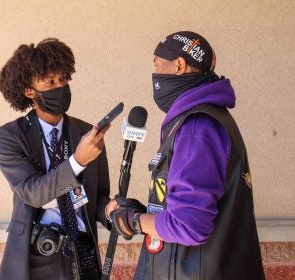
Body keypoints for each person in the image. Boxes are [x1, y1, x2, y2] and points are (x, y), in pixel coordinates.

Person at [110, 31, 265, 279]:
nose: (155, 74)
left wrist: (135, 221)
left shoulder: (197, 128)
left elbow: (187, 225)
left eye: (157, 65)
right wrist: (145, 211)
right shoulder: (201, 121)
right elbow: (187, 205)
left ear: (179, 66)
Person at [0, 38, 117, 280]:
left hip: (83, 255)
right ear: (29, 90)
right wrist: (78, 161)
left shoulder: (87, 134)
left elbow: (98, 197)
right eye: (50, 82)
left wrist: (111, 211)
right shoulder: (8, 137)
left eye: (63, 79)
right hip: (35, 258)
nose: (59, 86)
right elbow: (33, 193)